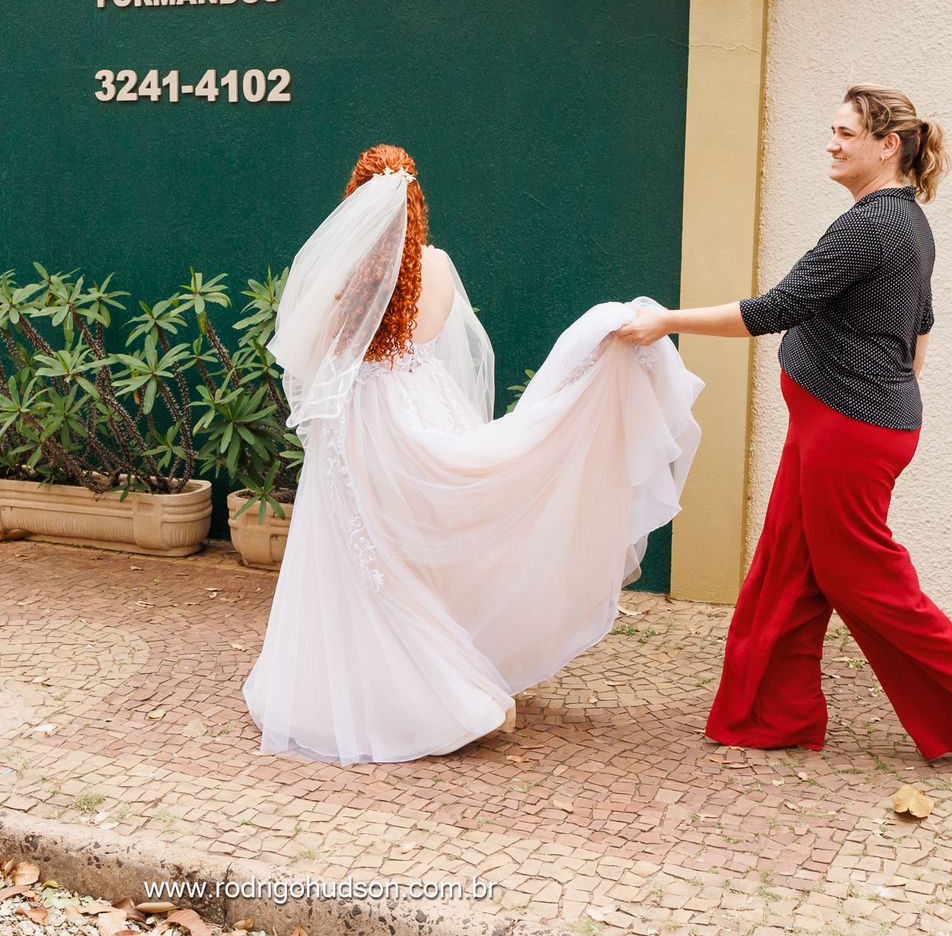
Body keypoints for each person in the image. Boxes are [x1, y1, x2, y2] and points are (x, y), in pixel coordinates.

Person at [243, 144, 703, 764]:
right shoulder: (436, 266)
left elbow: (319, 359)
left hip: (361, 424)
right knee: (422, 551)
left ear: (354, 201)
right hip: (423, 407)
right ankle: (454, 671)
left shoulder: (345, 274)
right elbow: (450, 344)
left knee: (367, 556)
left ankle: (430, 687)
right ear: (418, 202)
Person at [616, 87, 952, 770]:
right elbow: (918, 329)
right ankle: (769, 717)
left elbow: (774, 308)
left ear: (886, 145)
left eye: (846, 133)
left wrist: (667, 319)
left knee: (861, 576)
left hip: (850, 427)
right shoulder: (903, 223)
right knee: (787, 567)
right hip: (836, 422)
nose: (832, 144)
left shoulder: (873, 225)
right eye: (831, 131)